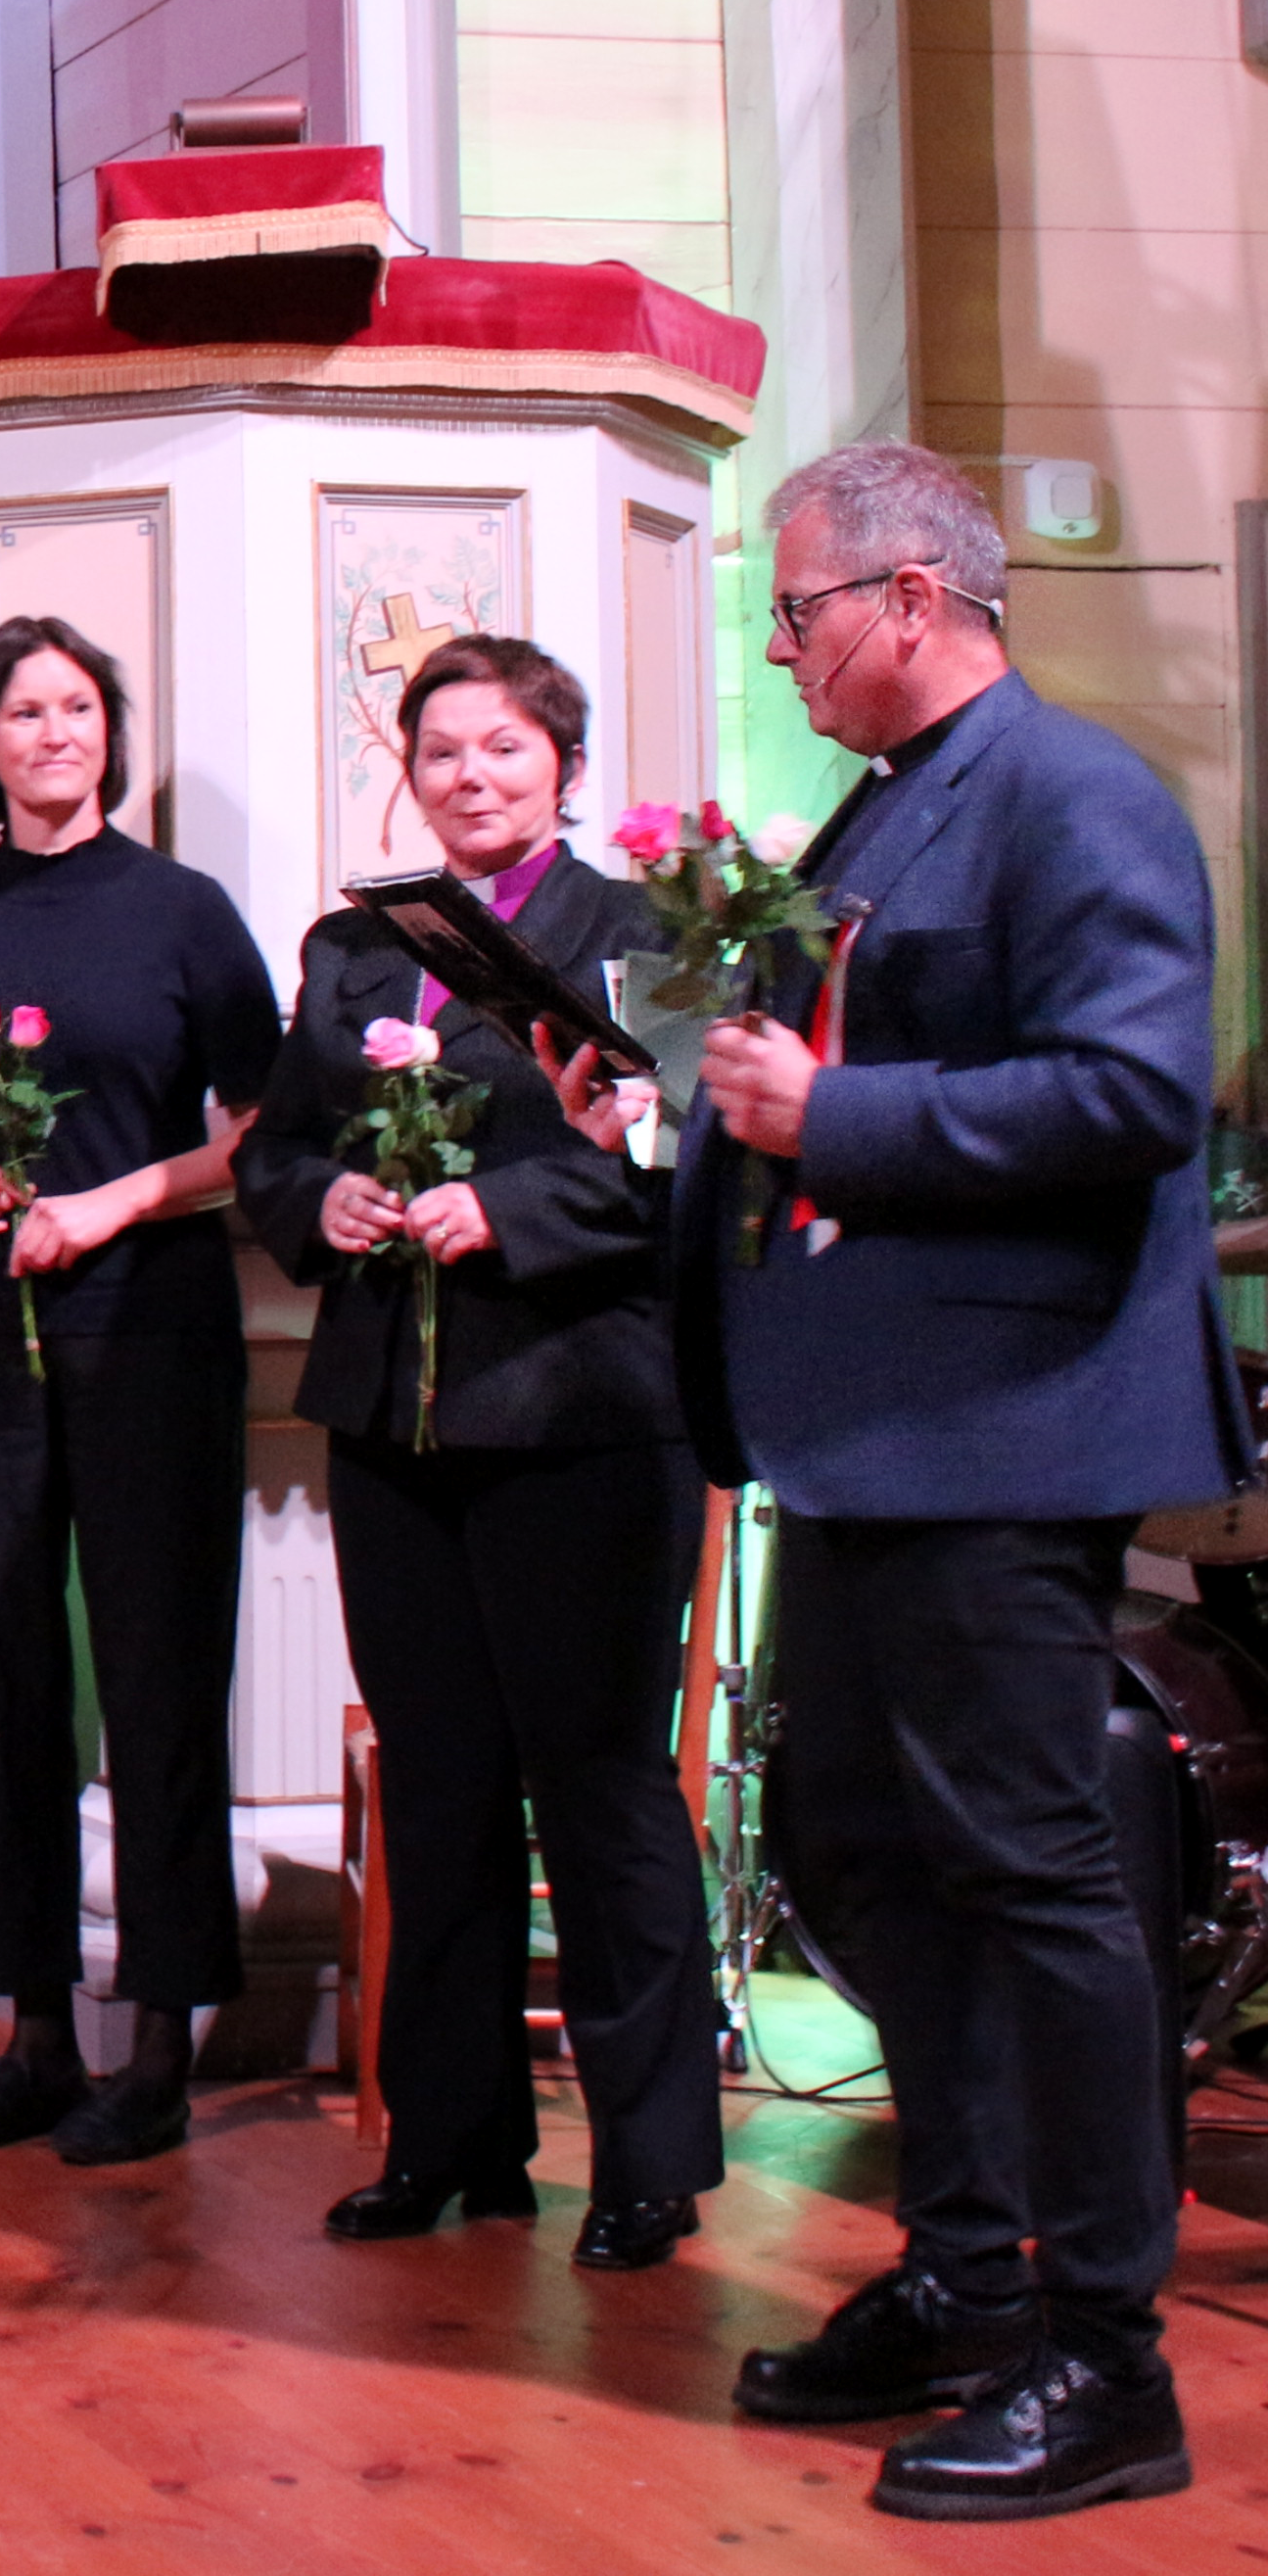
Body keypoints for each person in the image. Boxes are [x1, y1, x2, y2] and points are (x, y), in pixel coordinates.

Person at [637, 441, 1246, 2520]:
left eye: (796, 612)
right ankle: (971, 2271)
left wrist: (836, 1109)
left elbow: (1130, 1088)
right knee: (859, 1857)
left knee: (1033, 1883)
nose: (782, 648)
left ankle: (1106, 2357)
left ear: (911, 597)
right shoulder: (896, 806)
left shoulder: (1072, 795)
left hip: (1003, 1429)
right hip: (875, 1438)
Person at [228, 635, 719, 2269]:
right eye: (440, 751)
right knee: (435, 1791)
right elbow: (278, 1150)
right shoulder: (358, 945)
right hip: (395, 1414)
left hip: (578, 1409)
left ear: (561, 768)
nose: (470, 776)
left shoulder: (646, 934)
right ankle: (454, 2142)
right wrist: (329, 1203)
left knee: (596, 1790)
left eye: (503, 749)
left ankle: (646, 2159)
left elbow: (674, 1161)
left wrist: (498, 1207)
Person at [0, 615, 278, 2167]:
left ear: (109, 731)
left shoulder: (181, 910)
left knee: (161, 1672)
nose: (51, 732)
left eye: (76, 707)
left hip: (147, 1314)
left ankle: (159, 2038)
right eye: (22, 710)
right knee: (1, 1669)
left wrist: (113, 1203)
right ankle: (31, 2027)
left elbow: (256, 1128)